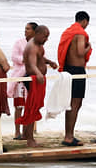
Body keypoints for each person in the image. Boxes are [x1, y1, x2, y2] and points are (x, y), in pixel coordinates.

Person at [57, 11, 92, 146]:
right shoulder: (80, 33)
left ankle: (69, 134)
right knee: (75, 104)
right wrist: (88, 47)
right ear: (84, 21)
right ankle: (69, 136)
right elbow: (80, 52)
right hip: (77, 71)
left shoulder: (68, 31)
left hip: (67, 69)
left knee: (70, 104)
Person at [20, 25, 56, 147]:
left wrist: (49, 62)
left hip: (37, 78)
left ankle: (26, 134)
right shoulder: (32, 46)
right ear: (38, 34)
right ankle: (30, 139)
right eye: (45, 36)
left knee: (33, 107)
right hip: (33, 79)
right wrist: (39, 73)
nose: (47, 39)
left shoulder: (38, 45)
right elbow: (32, 63)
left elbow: (40, 58)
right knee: (32, 108)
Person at [9, 22, 37, 139]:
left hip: (32, 77)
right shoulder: (19, 43)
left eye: (28, 29)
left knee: (30, 106)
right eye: (25, 29)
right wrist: (27, 60)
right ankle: (17, 131)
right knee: (19, 106)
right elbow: (14, 57)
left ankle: (28, 131)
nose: (25, 31)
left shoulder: (37, 44)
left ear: (34, 31)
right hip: (20, 77)